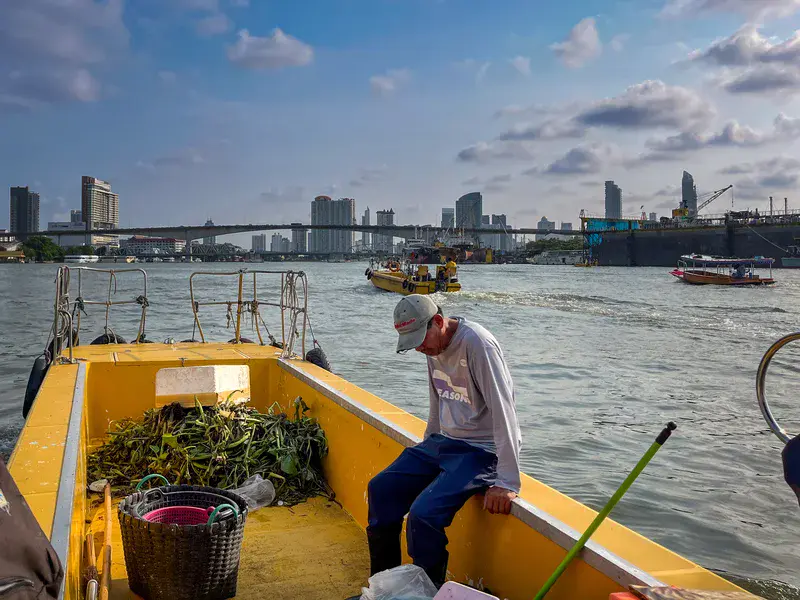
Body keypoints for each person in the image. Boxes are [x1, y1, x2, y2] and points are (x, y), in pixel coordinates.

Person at [365, 294, 521, 588]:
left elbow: (504, 411)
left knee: (423, 516)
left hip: (481, 451)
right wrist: (427, 453)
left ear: (438, 321)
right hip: (444, 442)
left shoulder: (477, 344)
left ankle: (425, 593)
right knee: (381, 489)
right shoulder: (432, 348)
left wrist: (508, 482)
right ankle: (384, 587)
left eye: (421, 339)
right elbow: (437, 398)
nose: (420, 348)